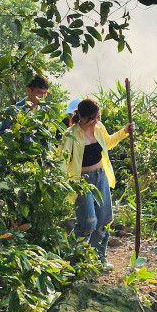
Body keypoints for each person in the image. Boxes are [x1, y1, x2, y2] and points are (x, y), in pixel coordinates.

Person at [62, 98, 132, 270]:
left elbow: (108, 143)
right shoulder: (71, 134)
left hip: (100, 176)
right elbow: (61, 159)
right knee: (87, 223)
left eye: (98, 117)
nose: (96, 122)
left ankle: (99, 258)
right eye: (93, 119)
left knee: (103, 219)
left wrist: (124, 132)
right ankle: (69, 252)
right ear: (83, 118)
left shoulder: (99, 128)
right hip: (81, 181)